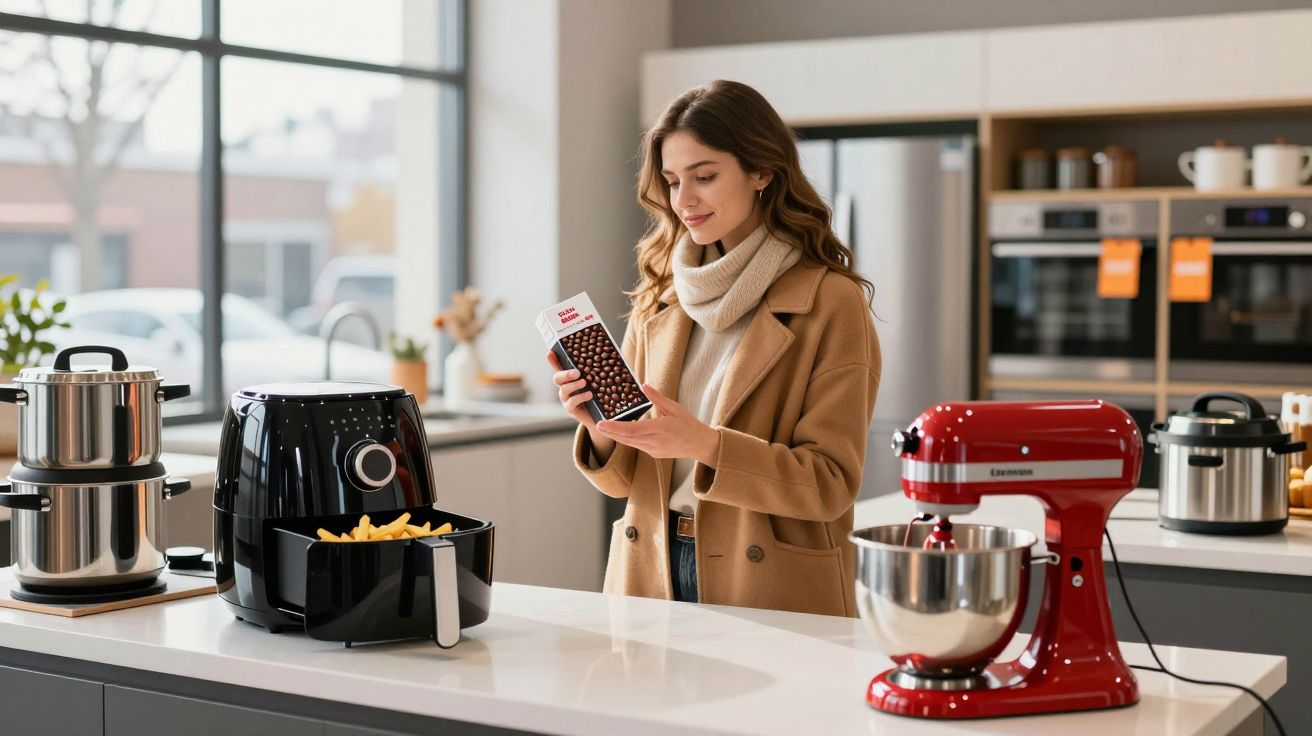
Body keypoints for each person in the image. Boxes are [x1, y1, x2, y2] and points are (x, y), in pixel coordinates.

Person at [546, 79, 880, 617]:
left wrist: (706, 445)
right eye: (673, 181)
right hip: (647, 569)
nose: (684, 201)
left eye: (704, 176)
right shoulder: (660, 291)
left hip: (768, 578)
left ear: (762, 171)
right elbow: (622, 480)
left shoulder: (830, 301)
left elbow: (829, 485)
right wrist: (597, 424)